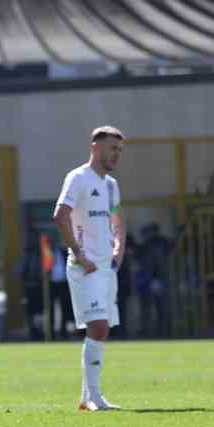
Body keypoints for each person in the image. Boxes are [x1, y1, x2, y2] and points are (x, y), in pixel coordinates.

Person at [53, 126, 126, 411]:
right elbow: (60, 215)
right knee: (97, 326)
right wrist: (78, 254)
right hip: (87, 267)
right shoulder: (78, 178)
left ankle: (88, 397)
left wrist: (120, 248)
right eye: (111, 148)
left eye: (119, 150)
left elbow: (118, 218)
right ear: (95, 147)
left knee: (103, 328)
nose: (116, 155)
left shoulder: (111, 185)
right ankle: (93, 396)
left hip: (106, 267)